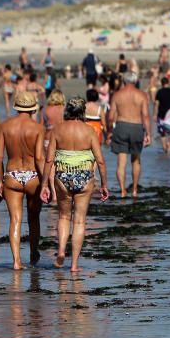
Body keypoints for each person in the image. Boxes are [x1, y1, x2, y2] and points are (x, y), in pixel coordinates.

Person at [41, 96, 109, 272]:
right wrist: (104, 184)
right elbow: (100, 161)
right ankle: (74, 265)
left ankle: (62, 251)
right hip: (85, 176)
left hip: (62, 175)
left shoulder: (57, 130)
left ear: (68, 111)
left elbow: (49, 160)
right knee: (79, 221)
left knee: (64, 216)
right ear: (82, 111)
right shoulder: (89, 131)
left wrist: (44, 185)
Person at [0, 92, 45, 269]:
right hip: (33, 176)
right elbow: (39, 158)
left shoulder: (4, 126)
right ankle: (33, 253)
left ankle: (16, 261)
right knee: (34, 218)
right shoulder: (38, 128)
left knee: (15, 220)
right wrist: (45, 181)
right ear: (33, 108)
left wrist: (0, 181)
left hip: (12, 176)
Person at [107, 71, 151, 198]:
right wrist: (148, 133)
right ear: (136, 81)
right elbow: (146, 116)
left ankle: (122, 191)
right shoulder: (142, 95)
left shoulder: (117, 95)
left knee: (121, 162)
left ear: (123, 81)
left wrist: (109, 132)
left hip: (121, 126)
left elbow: (110, 117)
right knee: (136, 160)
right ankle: (135, 189)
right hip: (137, 127)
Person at [153, 76, 170, 153]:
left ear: (161, 84)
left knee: (162, 132)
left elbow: (156, 104)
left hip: (162, 115)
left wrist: (155, 114)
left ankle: (164, 148)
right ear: (168, 83)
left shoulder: (159, 92)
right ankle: (169, 146)